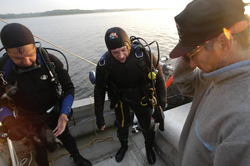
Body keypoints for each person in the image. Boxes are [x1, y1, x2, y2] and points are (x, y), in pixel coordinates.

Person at [169, 0, 250, 165]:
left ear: (224, 43)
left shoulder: (243, 125)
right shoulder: (215, 74)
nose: (191, 64)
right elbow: (184, 83)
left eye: (193, 54)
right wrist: (187, 52)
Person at [0, 23, 92, 166]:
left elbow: (68, 87)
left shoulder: (50, 61)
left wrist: (64, 113)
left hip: (55, 110)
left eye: (30, 54)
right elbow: (1, 102)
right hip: (28, 116)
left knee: (66, 137)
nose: (26, 61)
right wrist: (9, 121)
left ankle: (76, 157)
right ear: (7, 53)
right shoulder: (3, 71)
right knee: (38, 145)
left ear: (34, 45)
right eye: (18, 58)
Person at [94, 27, 166, 165]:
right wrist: (99, 116)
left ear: (129, 45)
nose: (121, 56)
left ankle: (149, 148)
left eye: (123, 50)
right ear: (109, 51)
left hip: (143, 98)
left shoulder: (144, 56)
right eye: (115, 52)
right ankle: (124, 146)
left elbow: (160, 80)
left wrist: (161, 105)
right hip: (121, 101)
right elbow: (99, 90)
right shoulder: (104, 64)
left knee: (146, 126)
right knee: (122, 126)